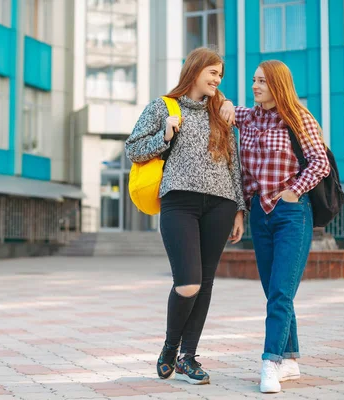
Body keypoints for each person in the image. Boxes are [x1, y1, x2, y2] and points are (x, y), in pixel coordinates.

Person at [125, 47, 246, 385]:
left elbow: (232, 161)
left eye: (220, 75)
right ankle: (169, 347)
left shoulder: (221, 112)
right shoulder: (163, 107)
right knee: (188, 282)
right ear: (195, 70)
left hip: (220, 203)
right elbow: (132, 148)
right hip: (179, 202)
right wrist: (165, 134)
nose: (217, 79)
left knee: (205, 282)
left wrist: (239, 207)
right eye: (213, 72)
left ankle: (188, 358)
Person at [223, 60, 330, 393]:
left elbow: (320, 162)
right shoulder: (248, 117)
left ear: (278, 86)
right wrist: (225, 103)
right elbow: (218, 103)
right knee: (274, 292)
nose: (255, 87)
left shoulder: (298, 118)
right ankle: (291, 360)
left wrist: (293, 191)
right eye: (254, 81)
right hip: (259, 214)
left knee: (281, 293)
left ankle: (270, 363)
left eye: (263, 82)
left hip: (291, 215)